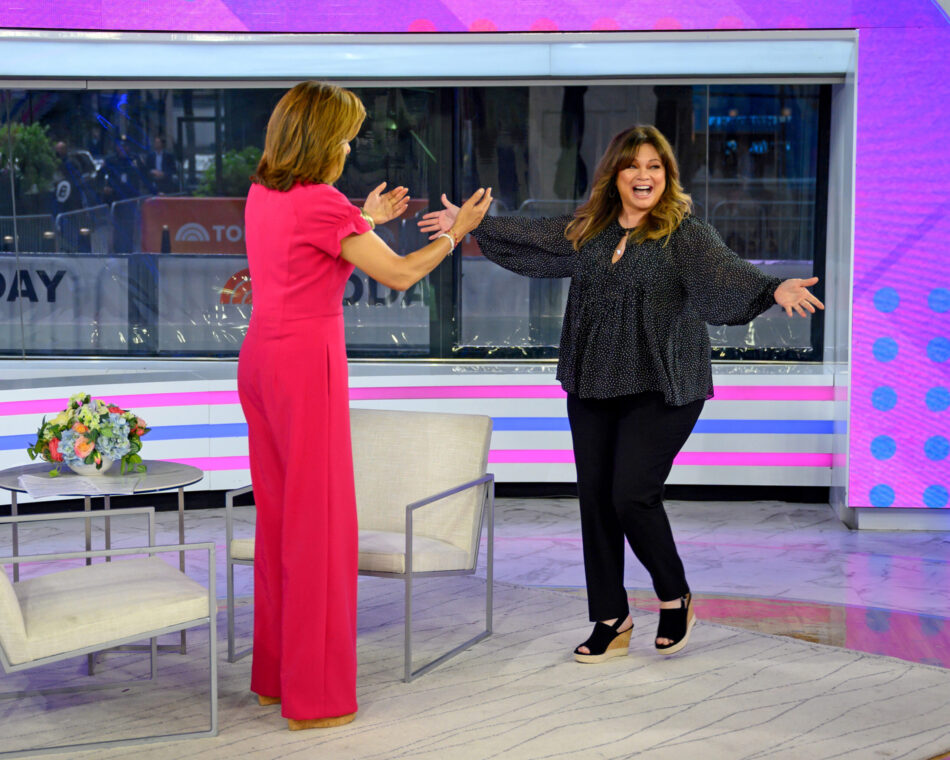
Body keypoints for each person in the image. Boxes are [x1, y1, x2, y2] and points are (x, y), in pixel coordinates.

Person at [419, 124, 822, 663]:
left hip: (664, 383)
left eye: (655, 166)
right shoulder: (591, 227)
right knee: (596, 501)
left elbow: (725, 276)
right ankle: (611, 617)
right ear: (615, 173)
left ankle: (674, 595)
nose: (644, 175)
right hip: (592, 379)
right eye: (634, 165)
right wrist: (468, 227)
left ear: (666, 176)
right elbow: (534, 240)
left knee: (630, 493)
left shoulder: (685, 234)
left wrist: (771, 288)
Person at [238, 81, 492, 730]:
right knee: (320, 530)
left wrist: (367, 219)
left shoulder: (265, 192)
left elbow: (312, 248)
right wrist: (457, 233)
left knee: (279, 523)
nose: (352, 146)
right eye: (347, 135)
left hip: (262, 362)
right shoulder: (325, 204)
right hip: (305, 368)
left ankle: (273, 677)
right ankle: (315, 698)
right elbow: (401, 275)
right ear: (322, 140)